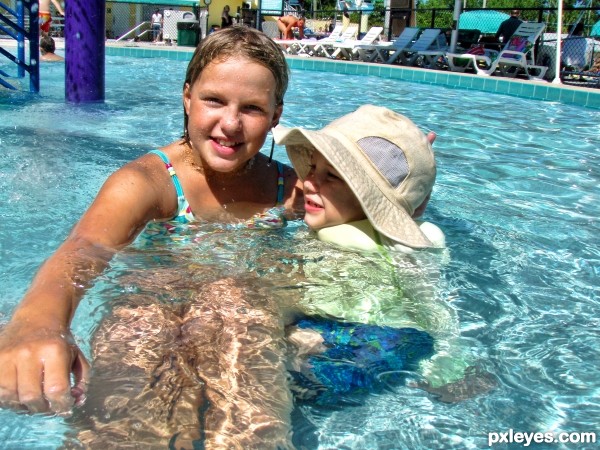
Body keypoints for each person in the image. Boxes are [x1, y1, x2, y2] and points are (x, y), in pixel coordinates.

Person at [0, 25, 302, 418]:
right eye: (214, 100)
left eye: (252, 108)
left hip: (240, 329)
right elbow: (83, 250)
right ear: (187, 97)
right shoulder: (148, 184)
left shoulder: (290, 188)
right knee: (140, 329)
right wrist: (37, 322)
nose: (230, 124)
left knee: (239, 326)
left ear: (275, 115)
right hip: (156, 316)